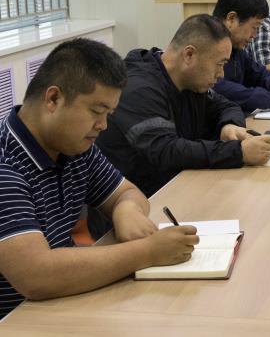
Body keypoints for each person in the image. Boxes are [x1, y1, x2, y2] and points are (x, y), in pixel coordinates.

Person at [0, 39, 199, 319]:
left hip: (59, 304)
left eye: (108, 114)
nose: (103, 125)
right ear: (53, 99)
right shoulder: (6, 165)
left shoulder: (73, 147)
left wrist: (126, 211)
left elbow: (126, 192)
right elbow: (36, 274)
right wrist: (148, 252)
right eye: (96, 111)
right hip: (16, 319)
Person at [95, 15, 270, 201]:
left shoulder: (189, 81)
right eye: (219, 64)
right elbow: (166, 151)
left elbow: (227, 105)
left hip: (181, 188)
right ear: (189, 55)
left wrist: (229, 125)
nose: (221, 74)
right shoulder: (138, 89)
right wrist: (238, 152)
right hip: (137, 204)